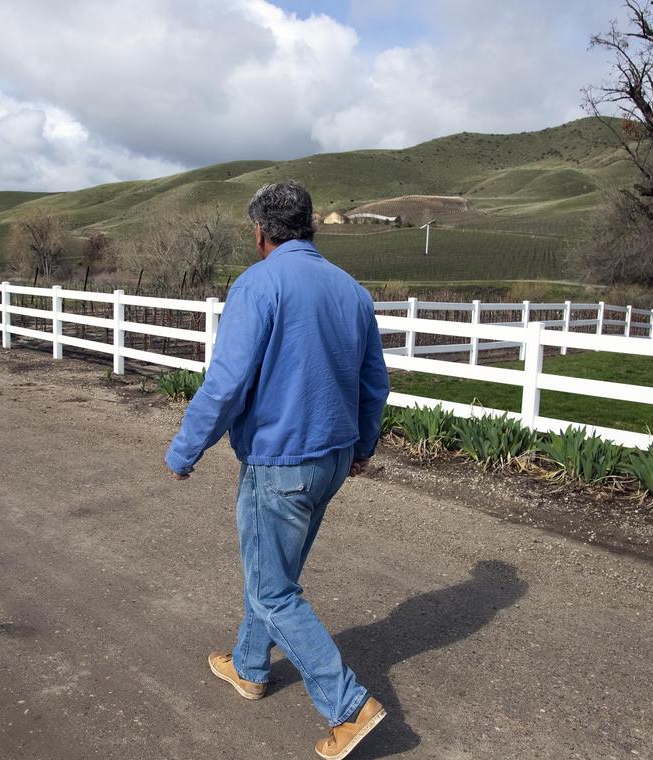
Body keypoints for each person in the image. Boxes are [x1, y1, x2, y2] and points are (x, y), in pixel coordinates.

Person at [164, 180, 391, 759]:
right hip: (333, 457)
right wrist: (364, 444)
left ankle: (348, 706)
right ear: (310, 226)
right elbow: (373, 383)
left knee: (272, 586)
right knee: (274, 569)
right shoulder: (351, 291)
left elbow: (227, 383)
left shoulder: (258, 284)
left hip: (281, 461)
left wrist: (186, 448)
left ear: (260, 231)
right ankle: (249, 666)